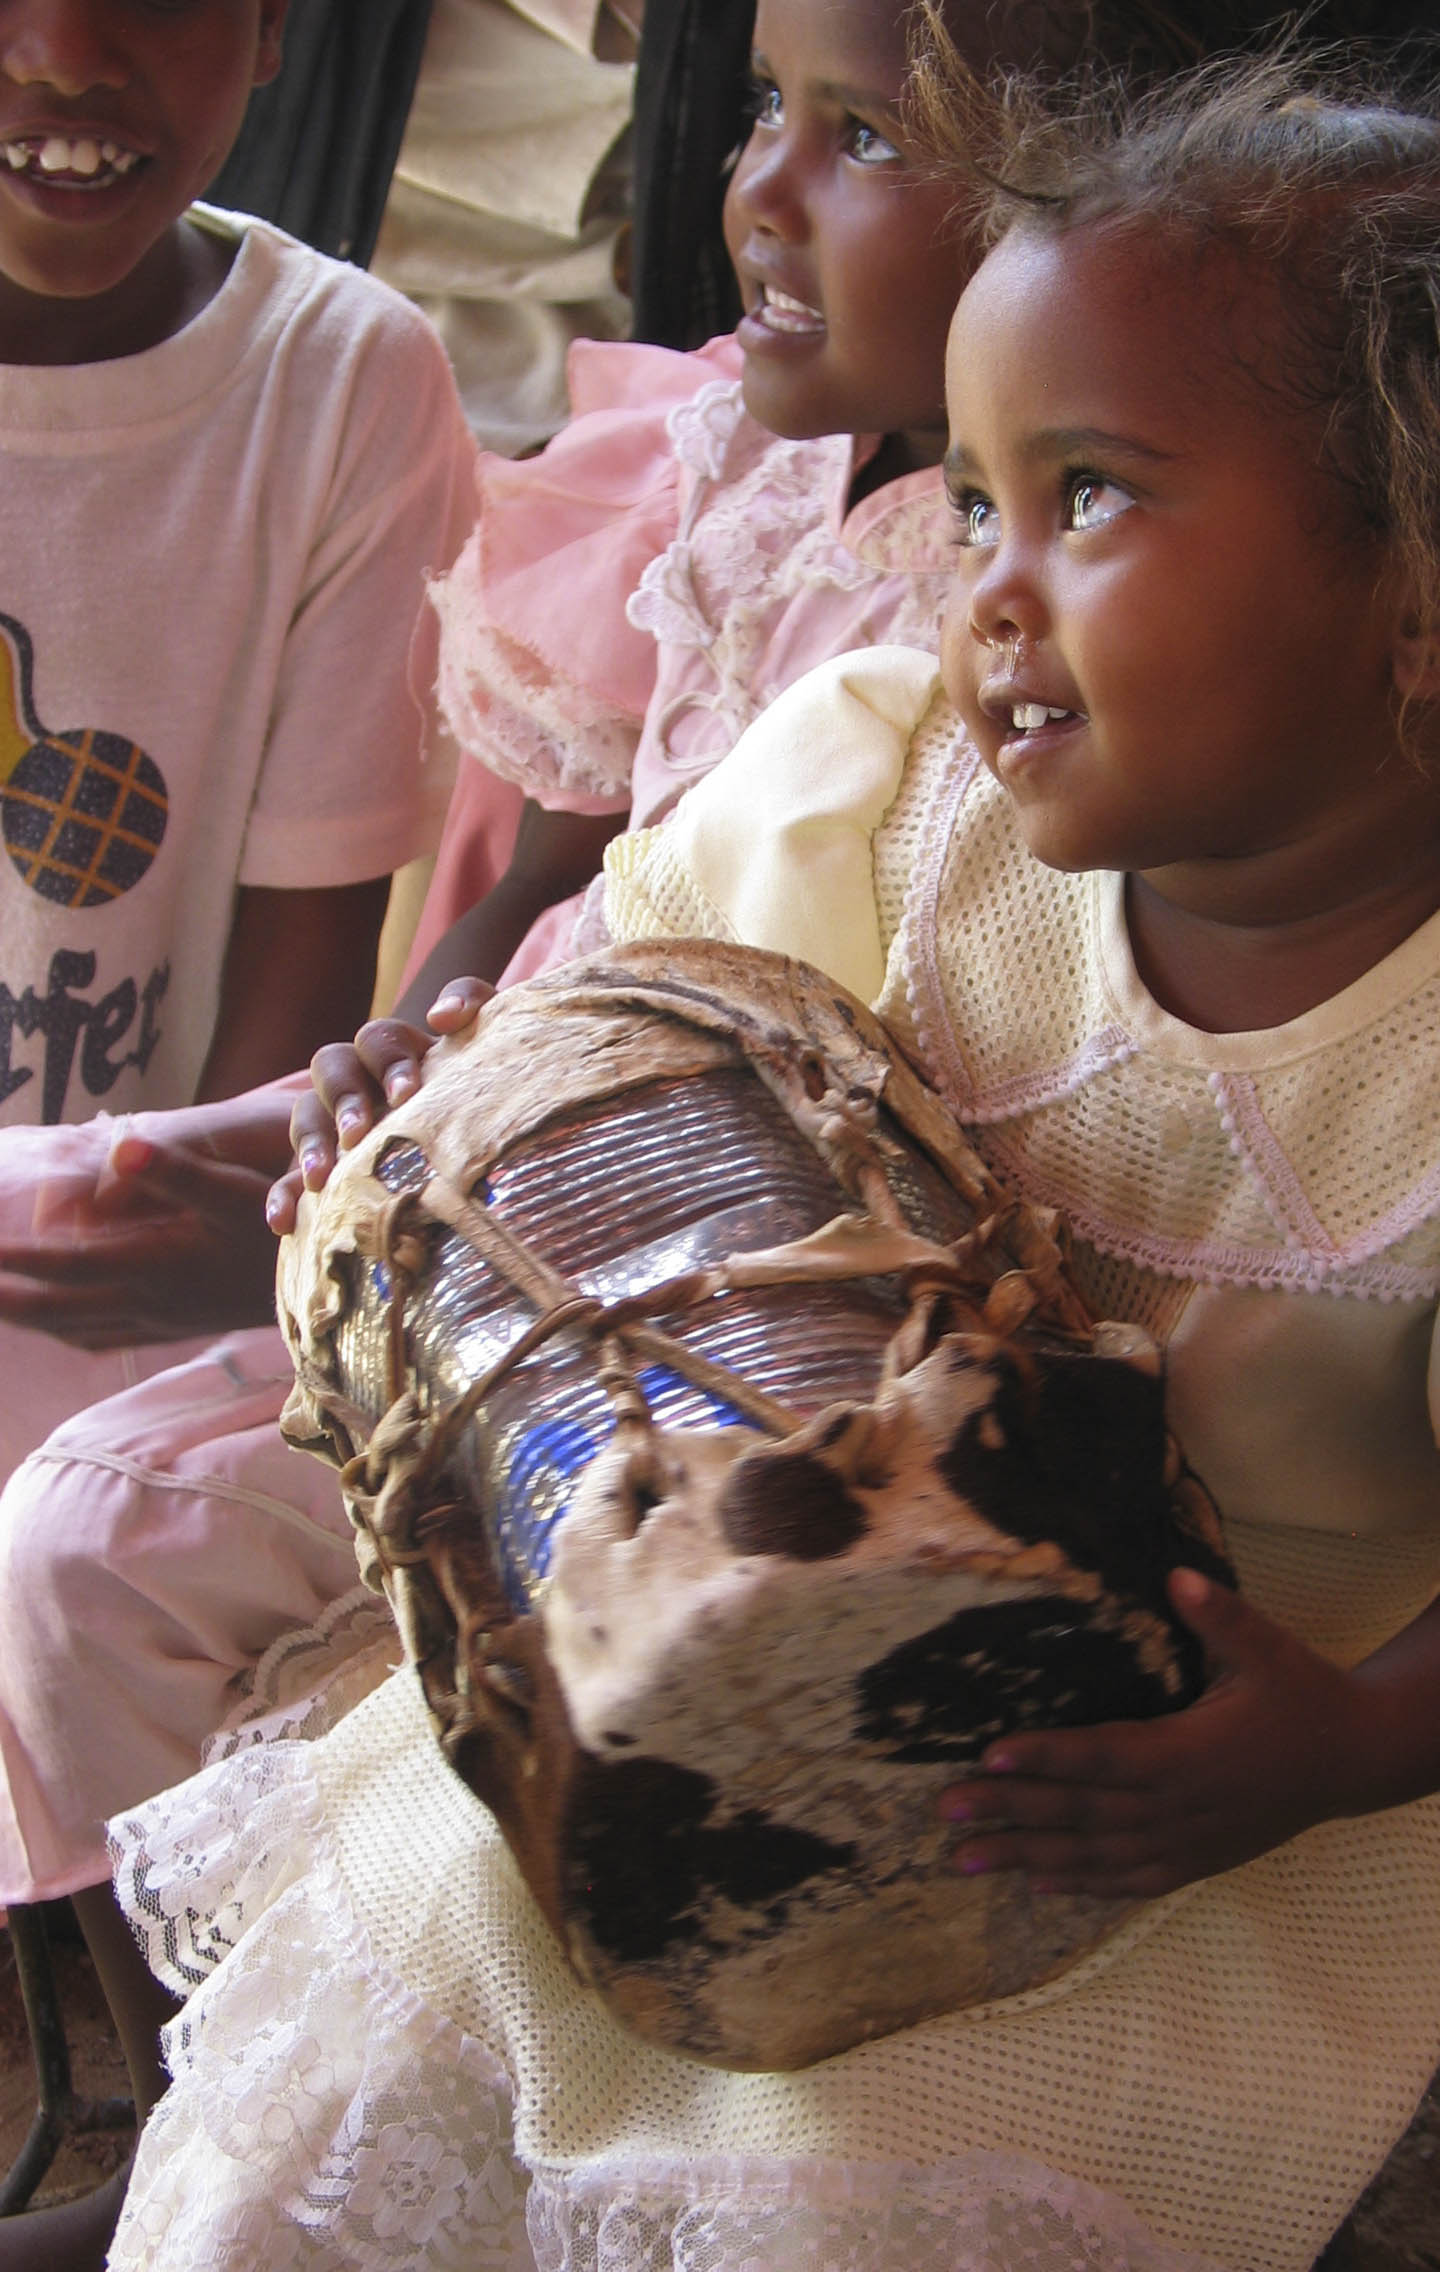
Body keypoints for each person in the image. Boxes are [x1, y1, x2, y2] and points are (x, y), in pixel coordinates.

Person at [99, 43, 1440, 2272]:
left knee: (844, 2201)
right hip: (691, 1670)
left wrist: (1339, 1744)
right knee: (372, 2103)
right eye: (971, 505)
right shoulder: (885, 801)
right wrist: (438, 1086)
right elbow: (628, 1033)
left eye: (1091, 497)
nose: (988, 595)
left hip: (1145, 1831)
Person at [0, 0, 475, 2253]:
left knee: (107, 1514)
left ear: (278, 27)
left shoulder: (338, 385)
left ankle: (186, 2137)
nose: (70, 54)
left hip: (108, 1241)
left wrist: (166, 1245)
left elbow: (269, 1089)